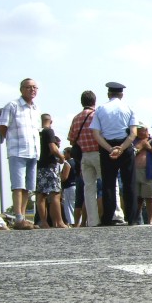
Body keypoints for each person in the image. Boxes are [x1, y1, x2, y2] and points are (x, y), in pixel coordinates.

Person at [90, 82, 138, 226]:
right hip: (125, 146)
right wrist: (121, 148)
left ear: (108, 94)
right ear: (121, 94)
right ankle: (132, 217)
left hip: (107, 146)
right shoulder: (129, 108)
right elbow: (133, 133)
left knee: (108, 184)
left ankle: (108, 217)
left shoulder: (100, 109)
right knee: (129, 183)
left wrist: (110, 149)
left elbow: (96, 134)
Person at [0, 78, 41, 230]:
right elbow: (2, 126)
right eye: (28, 87)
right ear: (21, 89)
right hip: (17, 150)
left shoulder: (35, 108)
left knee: (28, 187)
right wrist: (11, 140)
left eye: (34, 87)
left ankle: (23, 218)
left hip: (33, 151)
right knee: (18, 186)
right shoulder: (12, 105)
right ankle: (18, 217)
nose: (32, 89)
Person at [68, 90, 100, 227]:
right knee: (104, 186)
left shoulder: (76, 118)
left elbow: (71, 139)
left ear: (82, 102)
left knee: (89, 188)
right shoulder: (97, 115)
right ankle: (107, 215)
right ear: (94, 101)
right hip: (98, 153)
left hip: (84, 155)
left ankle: (92, 220)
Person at [35, 114, 69, 228]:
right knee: (55, 194)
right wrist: (61, 157)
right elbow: (53, 148)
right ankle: (58, 222)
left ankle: (43, 222)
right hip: (50, 166)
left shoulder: (36, 132)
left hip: (39, 166)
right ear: (51, 121)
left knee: (41, 194)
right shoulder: (49, 131)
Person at [134, 122, 152, 224]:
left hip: (149, 171)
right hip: (136, 171)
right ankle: (136, 219)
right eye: (138, 130)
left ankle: (150, 219)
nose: (139, 132)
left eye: (141, 130)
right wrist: (141, 145)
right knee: (137, 198)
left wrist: (148, 147)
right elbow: (132, 152)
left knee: (150, 197)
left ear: (146, 130)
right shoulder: (133, 140)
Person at [60, 147, 77, 226]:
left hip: (69, 186)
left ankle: (71, 222)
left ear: (69, 153)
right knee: (75, 204)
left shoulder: (67, 163)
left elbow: (64, 177)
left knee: (69, 205)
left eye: (65, 153)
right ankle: (77, 221)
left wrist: (59, 176)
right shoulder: (76, 162)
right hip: (76, 185)